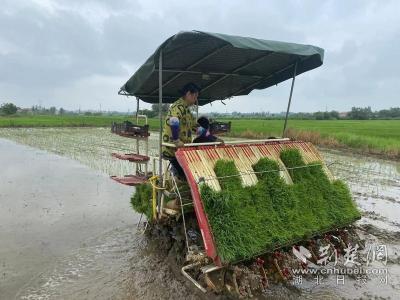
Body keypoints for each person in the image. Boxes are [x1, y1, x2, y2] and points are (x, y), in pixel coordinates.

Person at [162, 83, 199, 177]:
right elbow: (173, 120)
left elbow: (195, 127)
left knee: (182, 173)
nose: (196, 100)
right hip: (173, 150)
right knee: (184, 175)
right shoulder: (178, 106)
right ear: (188, 94)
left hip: (182, 149)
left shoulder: (187, 110)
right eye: (195, 97)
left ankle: (175, 179)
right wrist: (176, 140)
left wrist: (211, 137)